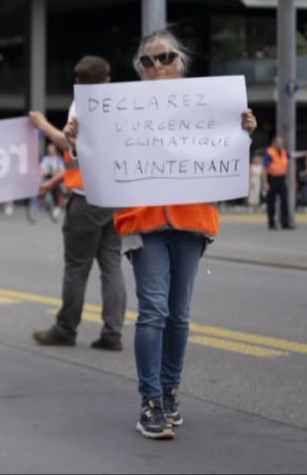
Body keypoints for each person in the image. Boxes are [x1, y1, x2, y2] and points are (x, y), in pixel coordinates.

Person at [64, 29, 257, 440]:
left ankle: (170, 394)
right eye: (148, 61)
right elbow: (92, 155)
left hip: (192, 221)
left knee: (180, 315)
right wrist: (75, 141)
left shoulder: (210, 104)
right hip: (143, 222)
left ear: (180, 62)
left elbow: (228, 148)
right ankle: (149, 402)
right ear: (139, 69)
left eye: (165, 57)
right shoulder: (118, 108)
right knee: (153, 310)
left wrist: (243, 129)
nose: (157, 66)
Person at [29, 55, 125, 352]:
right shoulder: (124, 106)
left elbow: (73, 148)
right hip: (116, 198)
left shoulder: (81, 106)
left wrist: (43, 124)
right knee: (112, 266)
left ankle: (65, 329)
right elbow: (87, 158)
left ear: (78, 83)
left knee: (76, 268)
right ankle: (112, 333)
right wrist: (58, 180)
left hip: (86, 200)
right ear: (108, 79)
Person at [263, 135, 307, 229]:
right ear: (274, 143)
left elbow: (293, 155)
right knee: (271, 202)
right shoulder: (270, 153)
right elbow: (265, 169)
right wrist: (265, 183)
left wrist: (304, 153)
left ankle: (285, 223)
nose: (280, 145)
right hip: (272, 179)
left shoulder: (283, 152)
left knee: (284, 200)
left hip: (281, 179)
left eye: (281, 143)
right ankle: (271, 223)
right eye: (278, 143)